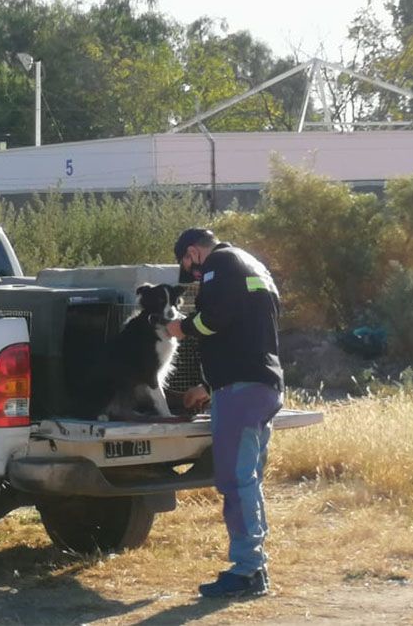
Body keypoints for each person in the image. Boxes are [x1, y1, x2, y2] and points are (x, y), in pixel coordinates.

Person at [165, 228, 284, 599]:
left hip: (241, 390)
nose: (193, 274)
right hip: (263, 384)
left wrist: (179, 328)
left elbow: (214, 319)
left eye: (188, 265)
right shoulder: (252, 265)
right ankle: (255, 565)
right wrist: (209, 386)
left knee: (235, 481)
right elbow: (244, 328)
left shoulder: (218, 263)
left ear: (192, 252)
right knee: (249, 479)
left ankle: (248, 570)